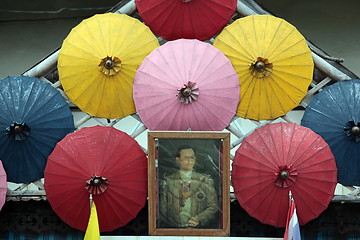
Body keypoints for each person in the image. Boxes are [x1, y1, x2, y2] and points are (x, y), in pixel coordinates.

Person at [159, 145, 219, 228]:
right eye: (186, 158)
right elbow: (163, 208)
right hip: (173, 229)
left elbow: (213, 206)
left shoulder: (205, 180)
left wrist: (199, 218)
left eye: (192, 158)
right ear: (178, 160)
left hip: (199, 229)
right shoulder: (168, 181)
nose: (189, 161)